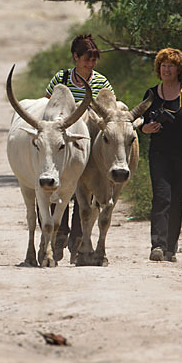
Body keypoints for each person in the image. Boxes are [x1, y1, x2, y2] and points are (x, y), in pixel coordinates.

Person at [44, 34, 114, 261]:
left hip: (89, 148)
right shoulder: (61, 79)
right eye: (86, 60)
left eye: (93, 60)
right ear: (75, 57)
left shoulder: (101, 82)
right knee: (59, 189)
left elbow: (109, 112)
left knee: (85, 193)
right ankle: (58, 236)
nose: (90, 64)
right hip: (63, 147)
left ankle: (78, 240)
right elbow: (48, 107)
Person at [141, 48, 182, 262]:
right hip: (160, 154)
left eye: (171, 65)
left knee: (177, 199)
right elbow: (140, 122)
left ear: (179, 69)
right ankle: (157, 244)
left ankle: (170, 246)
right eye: (163, 65)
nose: (166, 69)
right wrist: (146, 128)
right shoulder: (151, 94)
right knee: (162, 197)